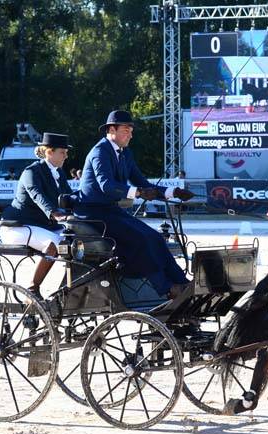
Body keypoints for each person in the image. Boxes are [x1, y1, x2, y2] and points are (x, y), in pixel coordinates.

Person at [75, 110, 195, 299]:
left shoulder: (125, 154)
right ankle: (166, 289)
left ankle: (183, 283)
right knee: (141, 239)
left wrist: (174, 192)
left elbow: (143, 183)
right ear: (111, 130)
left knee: (155, 237)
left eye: (131, 131)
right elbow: (107, 186)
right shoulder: (100, 152)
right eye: (126, 130)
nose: (130, 135)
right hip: (92, 213)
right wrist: (138, 192)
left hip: (111, 211)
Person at [0, 133, 74, 299]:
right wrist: (54, 213)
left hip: (41, 226)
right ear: (49, 152)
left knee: (77, 240)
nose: (66, 156)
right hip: (18, 226)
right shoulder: (31, 172)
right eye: (62, 152)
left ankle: (70, 289)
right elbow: (37, 195)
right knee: (55, 244)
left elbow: (70, 197)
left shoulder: (59, 173)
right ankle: (32, 289)